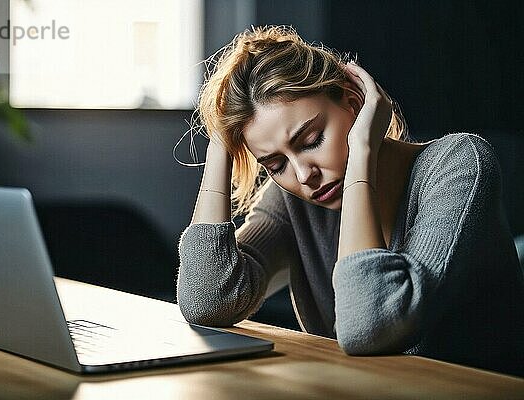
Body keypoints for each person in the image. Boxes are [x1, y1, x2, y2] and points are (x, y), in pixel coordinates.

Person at [176, 25, 524, 377]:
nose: (303, 175)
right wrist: (221, 143)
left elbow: (369, 326)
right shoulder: (291, 201)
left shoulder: (459, 165)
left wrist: (363, 151)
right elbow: (208, 302)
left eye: (312, 140)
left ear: (354, 103)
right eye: (275, 164)